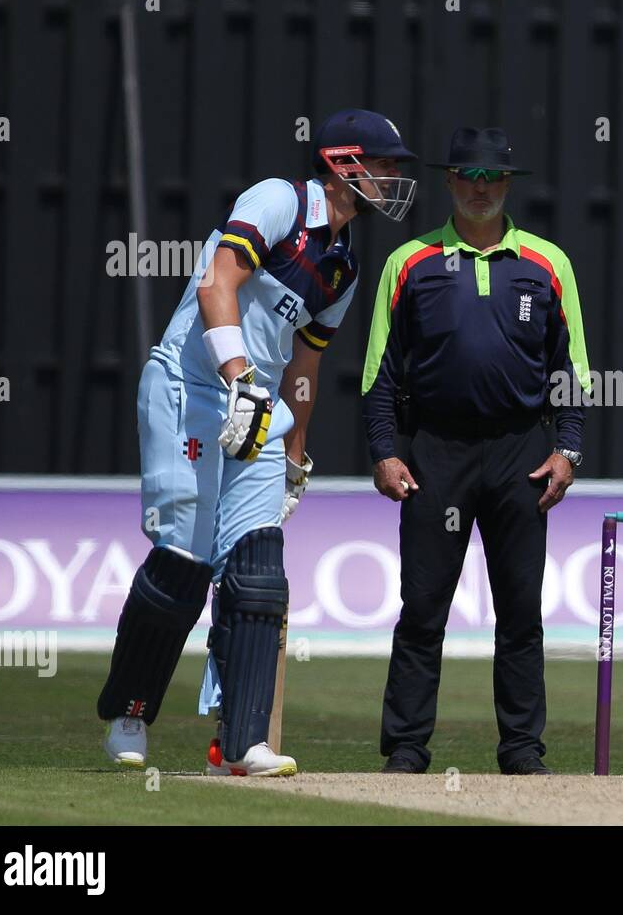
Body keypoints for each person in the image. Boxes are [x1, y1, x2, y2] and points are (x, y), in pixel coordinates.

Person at [97, 109, 417, 776]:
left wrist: (296, 453)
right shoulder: (279, 201)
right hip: (191, 387)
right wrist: (239, 377)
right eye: (383, 165)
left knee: (259, 570)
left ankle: (241, 744)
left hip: (258, 409)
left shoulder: (345, 267)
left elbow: (304, 366)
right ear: (343, 162)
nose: (391, 178)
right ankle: (129, 715)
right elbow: (219, 284)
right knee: (184, 560)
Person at [361, 127, 592, 775]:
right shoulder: (411, 262)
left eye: (492, 179)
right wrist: (385, 451)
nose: (480, 189)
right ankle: (406, 748)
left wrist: (568, 448)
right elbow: (378, 370)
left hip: (521, 449)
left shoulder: (547, 263)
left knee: (520, 609)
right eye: (469, 177)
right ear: (449, 181)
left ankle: (522, 750)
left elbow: (570, 370)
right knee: (423, 607)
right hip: (437, 449)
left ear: (508, 185)